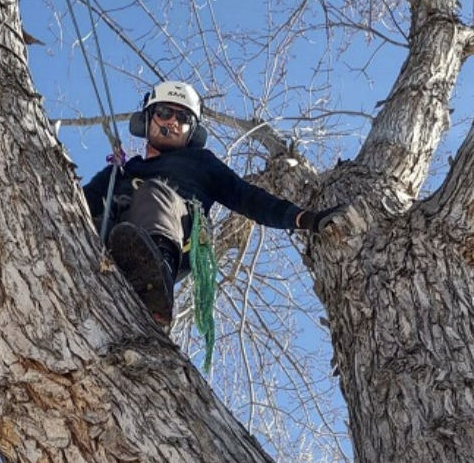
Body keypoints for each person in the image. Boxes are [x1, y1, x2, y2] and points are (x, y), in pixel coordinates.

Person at [82, 80, 346, 326]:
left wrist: (302, 218)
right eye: (164, 112)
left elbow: (246, 197)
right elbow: (79, 204)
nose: (173, 121)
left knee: (155, 193)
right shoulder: (120, 172)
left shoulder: (201, 163)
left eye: (183, 118)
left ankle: (155, 278)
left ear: (192, 131)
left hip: (174, 240)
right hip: (114, 236)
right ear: (149, 118)